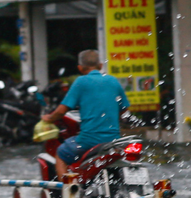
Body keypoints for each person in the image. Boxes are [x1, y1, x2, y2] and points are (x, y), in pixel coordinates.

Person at [41, 49, 130, 179]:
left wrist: (48, 118)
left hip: (88, 141)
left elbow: (61, 111)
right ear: (100, 66)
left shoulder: (80, 82)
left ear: (80, 68)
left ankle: (67, 195)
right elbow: (124, 112)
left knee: (60, 154)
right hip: (113, 141)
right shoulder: (113, 81)